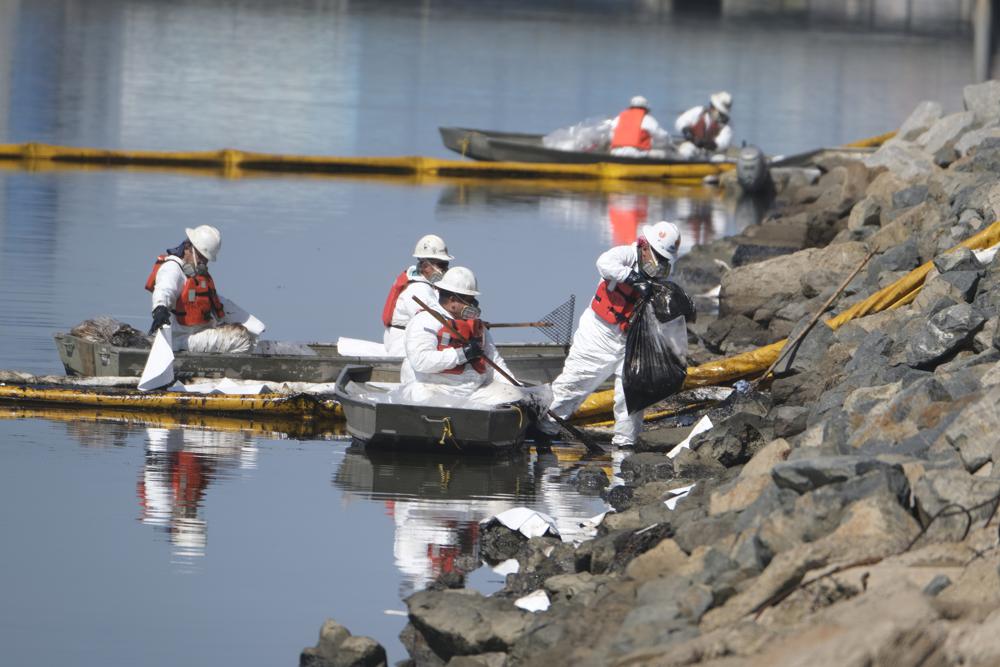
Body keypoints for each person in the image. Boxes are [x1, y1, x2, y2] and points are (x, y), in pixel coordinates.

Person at [543, 221, 693, 446]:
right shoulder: (625, 255)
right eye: (658, 257)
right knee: (571, 388)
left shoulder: (663, 279)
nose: (660, 264)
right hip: (598, 335)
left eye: (665, 260)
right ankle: (545, 430)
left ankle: (624, 448)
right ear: (644, 247)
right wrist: (634, 279)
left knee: (630, 398)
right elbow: (604, 263)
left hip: (631, 343)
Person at [400, 266, 525, 405]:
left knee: (515, 397)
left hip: (473, 391)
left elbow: (494, 361)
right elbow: (421, 361)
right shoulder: (425, 320)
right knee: (431, 403)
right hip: (436, 390)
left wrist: (515, 386)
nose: (473, 305)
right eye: (469, 300)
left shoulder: (477, 326)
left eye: (474, 301)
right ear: (453, 300)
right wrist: (462, 354)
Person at [145, 225, 259, 353]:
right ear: (188, 247)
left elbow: (216, 302)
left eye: (206, 259)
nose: (203, 263)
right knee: (242, 340)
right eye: (201, 257)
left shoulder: (194, 273)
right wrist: (160, 308)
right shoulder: (172, 269)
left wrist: (252, 325)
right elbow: (164, 290)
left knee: (248, 338)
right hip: (179, 339)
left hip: (197, 334)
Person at [382, 234, 453, 356]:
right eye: (442, 265)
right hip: (403, 348)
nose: (446, 270)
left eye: (446, 265)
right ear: (425, 266)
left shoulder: (427, 285)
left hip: (410, 342)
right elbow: (434, 319)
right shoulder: (418, 289)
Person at [675, 91, 733, 159]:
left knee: (720, 158)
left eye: (721, 113)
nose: (719, 114)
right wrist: (686, 131)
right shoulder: (699, 111)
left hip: (712, 155)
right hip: (693, 148)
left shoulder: (727, 126)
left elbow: (721, 144)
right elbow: (680, 121)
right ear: (712, 106)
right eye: (714, 108)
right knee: (685, 151)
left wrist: (704, 143)